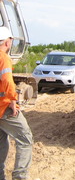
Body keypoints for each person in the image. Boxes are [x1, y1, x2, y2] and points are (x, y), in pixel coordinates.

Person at [0, 27, 33, 180]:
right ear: (7, 42)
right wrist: (13, 99)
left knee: (2, 142)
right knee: (25, 139)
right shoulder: (3, 57)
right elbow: (6, 80)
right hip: (4, 107)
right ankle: (20, 177)